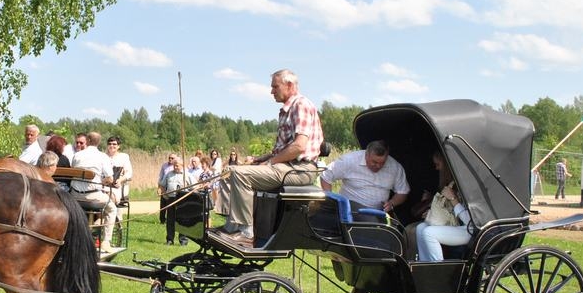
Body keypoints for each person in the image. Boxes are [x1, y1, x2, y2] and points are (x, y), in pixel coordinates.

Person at [216, 69, 324, 245]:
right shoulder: (287, 110)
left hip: (300, 169)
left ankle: (246, 232)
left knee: (240, 174)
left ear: (289, 85)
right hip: (288, 166)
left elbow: (299, 146)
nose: (272, 91)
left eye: (275, 86)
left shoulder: (301, 105)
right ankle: (231, 226)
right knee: (230, 171)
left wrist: (270, 163)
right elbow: (283, 148)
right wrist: (260, 159)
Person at [319, 140, 410, 217]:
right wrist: (331, 201)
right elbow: (326, 175)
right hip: (350, 210)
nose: (378, 166)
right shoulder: (350, 160)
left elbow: (403, 192)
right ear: (366, 155)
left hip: (379, 213)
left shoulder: (395, 167)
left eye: (382, 163)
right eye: (374, 162)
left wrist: (392, 203)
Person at [70, 131, 118, 252]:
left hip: (74, 195)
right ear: (99, 142)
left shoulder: (77, 155)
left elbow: (73, 170)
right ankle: (106, 241)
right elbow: (110, 178)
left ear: (88, 141)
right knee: (112, 209)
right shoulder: (103, 157)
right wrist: (102, 182)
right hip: (92, 196)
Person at [415, 181, 472, 262]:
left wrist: (453, 199)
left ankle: (439, 270)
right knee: (420, 228)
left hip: (473, 230)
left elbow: (469, 221)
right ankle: (426, 266)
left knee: (428, 232)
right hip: (460, 226)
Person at [160, 157, 199, 245]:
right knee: (170, 220)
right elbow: (162, 185)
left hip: (183, 200)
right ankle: (170, 240)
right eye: (174, 165)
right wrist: (164, 194)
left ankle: (183, 241)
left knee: (183, 220)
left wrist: (190, 196)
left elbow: (195, 187)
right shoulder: (169, 174)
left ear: (182, 165)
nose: (175, 167)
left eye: (177, 165)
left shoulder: (187, 175)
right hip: (171, 199)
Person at [105, 136, 133, 204]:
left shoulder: (124, 157)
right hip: (104, 185)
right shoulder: (103, 156)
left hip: (118, 187)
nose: (111, 145)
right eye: (109, 144)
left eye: (114, 144)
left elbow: (129, 173)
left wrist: (120, 180)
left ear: (118, 146)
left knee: (110, 197)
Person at [157, 152, 176, 223]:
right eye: (169, 158)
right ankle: (162, 220)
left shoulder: (176, 166)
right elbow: (160, 177)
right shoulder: (164, 165)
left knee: (170, 205)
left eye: (172, 158)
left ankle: (170, 220)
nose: (170, 159)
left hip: (171, 188)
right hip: (164, 187)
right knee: (163, 205)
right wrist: (159, 188)